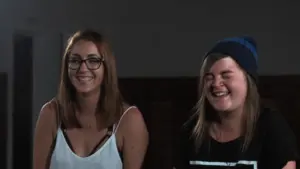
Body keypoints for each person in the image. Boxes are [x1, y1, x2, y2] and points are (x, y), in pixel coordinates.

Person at [173, 36, 298, 169]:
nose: (216, 84)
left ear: (248, 80)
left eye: (226, 75)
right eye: (209, 77)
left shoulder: (271, 128)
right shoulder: (191, 130)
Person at [33, 30, 149, 169]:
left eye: (93, 60)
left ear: (107, 67)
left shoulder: (129, 120)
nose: (83, 68)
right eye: (75, 60)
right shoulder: (50, 114)